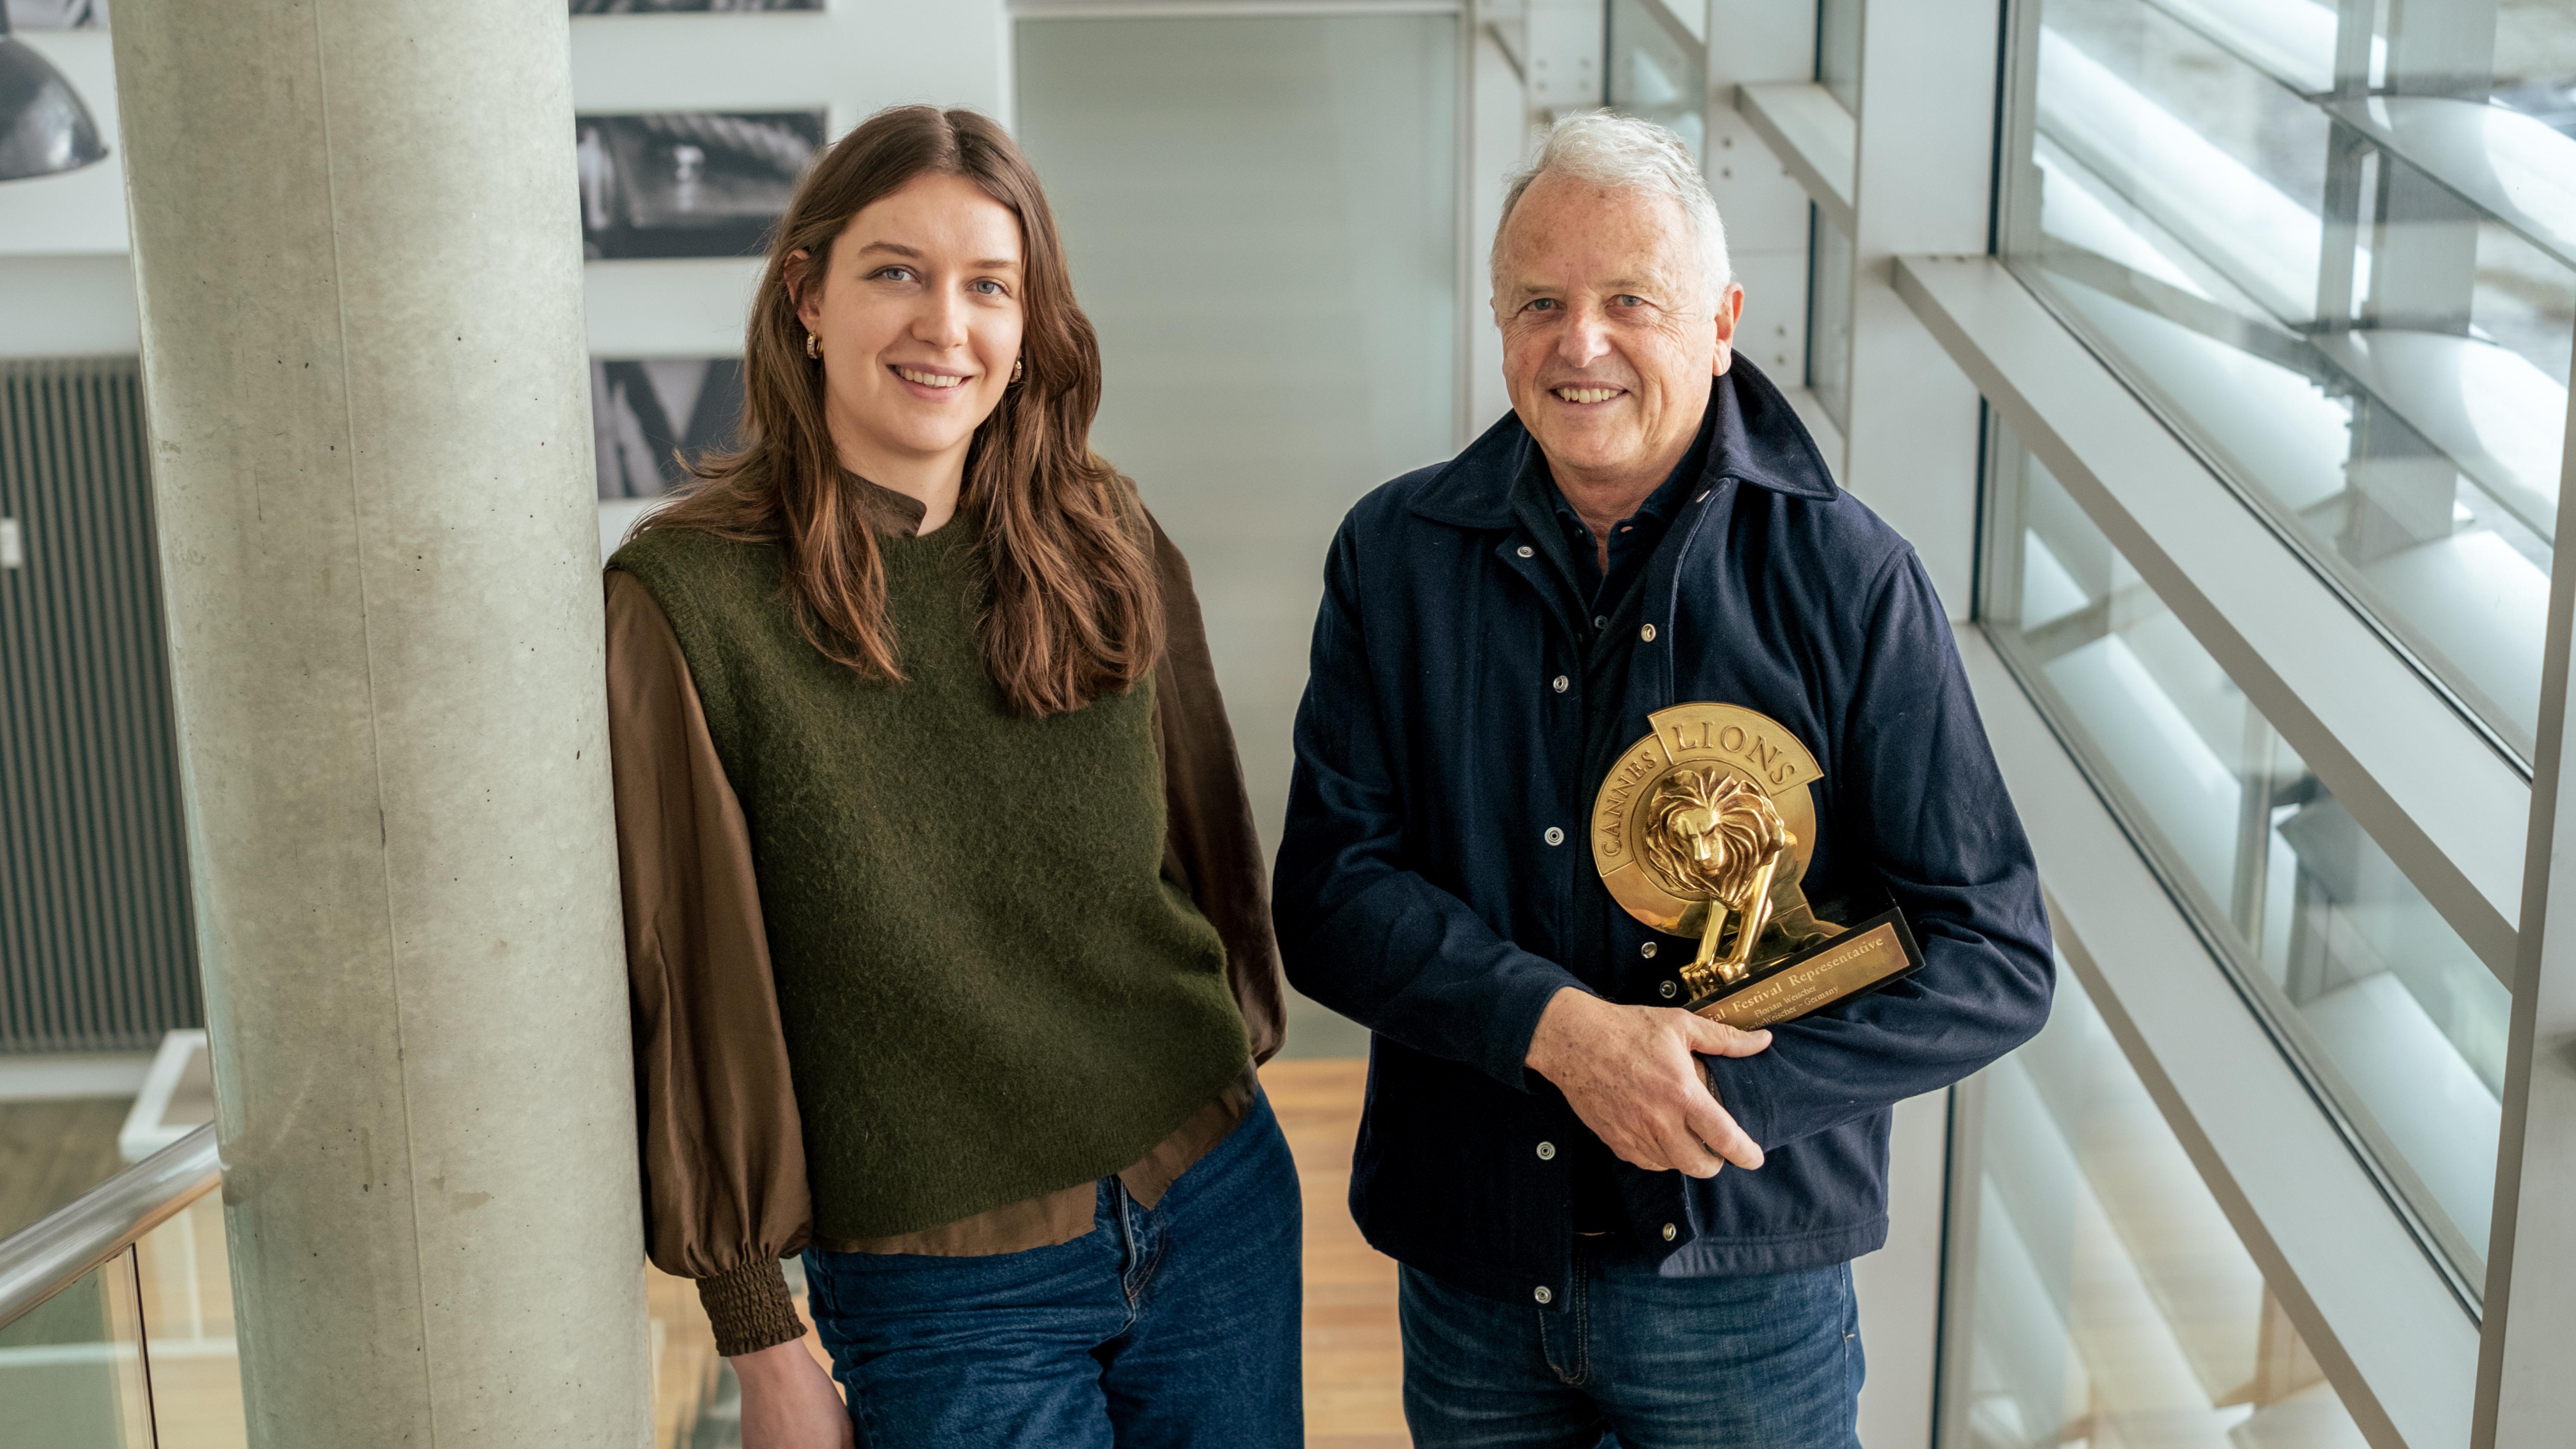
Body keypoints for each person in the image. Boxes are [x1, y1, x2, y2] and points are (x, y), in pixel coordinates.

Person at [1273, 112, 2053, 1448]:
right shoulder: (1392, 554)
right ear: (1499, 322)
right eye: (1540, 303)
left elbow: (1994, 955)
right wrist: (1562, 1036)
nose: (1580, 342)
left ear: (1722, 321)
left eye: (1631, 300)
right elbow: (1331, 896)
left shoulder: (1853, 580)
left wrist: (1712, 1096)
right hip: (1472, 1271)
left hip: (1745, 1290)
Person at [604, 105, 1301, 1449]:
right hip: (945, 1288)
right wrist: (758, 1332)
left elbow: (1207, 850)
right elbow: (686, 976)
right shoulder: (686, 600)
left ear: (1028, 325)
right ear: (807, 296)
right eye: (896, 273)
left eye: (990, 285)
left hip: (1213, 1196)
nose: (946, 326)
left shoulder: (1103, 526)